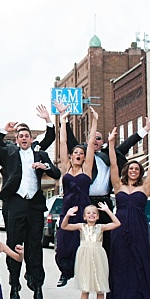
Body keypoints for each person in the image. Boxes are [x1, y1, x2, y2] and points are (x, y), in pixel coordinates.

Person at [0, 102, 61, 299]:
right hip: (16, 204)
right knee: (14, 244)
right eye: (20, 136)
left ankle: (36, 284)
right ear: (16, 139)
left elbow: (56, 170)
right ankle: (14, 284)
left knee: (34, 245)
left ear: (31, 138)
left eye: (27, 135)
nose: (24, 138)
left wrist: (47, 119)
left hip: (35, 206)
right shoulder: (9, 151)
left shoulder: (40, 152)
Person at [66, 112, 150, 254]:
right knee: (83, 236)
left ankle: (106, 268)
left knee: (107, 237)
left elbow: (128, 144)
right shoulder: (82, 156)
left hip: (104, 201)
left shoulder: (108, 154)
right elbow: (70, 141)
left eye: (98, 138)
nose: (95, 141)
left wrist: (145, 129)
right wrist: (64, 120)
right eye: (93, 138)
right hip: (86, 201)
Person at [104, 127, 150, 299]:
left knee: (142, 264)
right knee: (120, 264)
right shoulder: (118, 185)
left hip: (138, 229)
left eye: (137, 169)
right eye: (131, 168)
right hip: (119, 229)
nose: (134, 171)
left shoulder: (145, 187)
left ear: (140, 172)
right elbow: (113, 164)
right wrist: (111, 143)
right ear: (126, 171)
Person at [52, 103, 98, 288]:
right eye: (76, 153)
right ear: (71, 157)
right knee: (64, 242)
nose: (78, 154)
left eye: (81, 153)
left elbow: (93, 144)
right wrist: (63, 121)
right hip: (68, 208)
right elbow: (63, 143)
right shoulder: (66, 168)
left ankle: (84, 273)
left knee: (84, 242)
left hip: (84, 210)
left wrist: (95, 121)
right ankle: (65, 271)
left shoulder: (87, 169)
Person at [60, 203, 120, 299]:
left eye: (94, 213)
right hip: (85, 256)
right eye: (88, 213)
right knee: (85, 288)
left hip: (98, 255)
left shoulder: (101, 227)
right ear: (84, 216)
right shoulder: (81, 226)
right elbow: (64, 226)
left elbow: (117, 223)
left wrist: (108, 211)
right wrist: (68, 215)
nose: (91, 215)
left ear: (98, 216)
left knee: (100, 289)